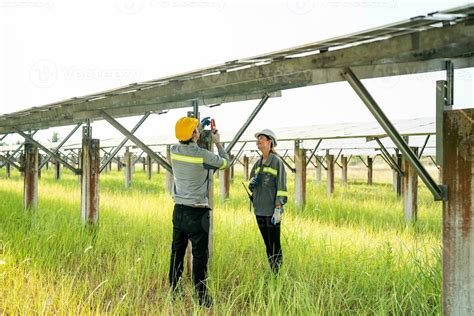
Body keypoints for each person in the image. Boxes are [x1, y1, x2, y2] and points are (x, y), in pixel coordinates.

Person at [168, 116, 229, 307]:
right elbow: (225, 163)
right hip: (198, 213)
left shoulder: (174, 151)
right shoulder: (203, 156)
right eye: (195, 130)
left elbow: (188, 140)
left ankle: (174, 289)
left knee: (177, 251)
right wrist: (218, 142)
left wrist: (198, 129)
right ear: (194, 134)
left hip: (179, 211)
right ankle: (201, 296)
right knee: (200, 255)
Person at [248, 129, 287, 274]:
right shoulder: (258, 163)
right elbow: (252, 183)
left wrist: (278, 209)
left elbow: (281, 187)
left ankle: (278, 273)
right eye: (257, 139)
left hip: (272, 212)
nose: (258, 141)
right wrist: (251, 184)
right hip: (259, 210)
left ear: (270, 142)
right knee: (267, 244)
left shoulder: (276, 162)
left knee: (274, 244)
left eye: (261, 138)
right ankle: (273, 271)